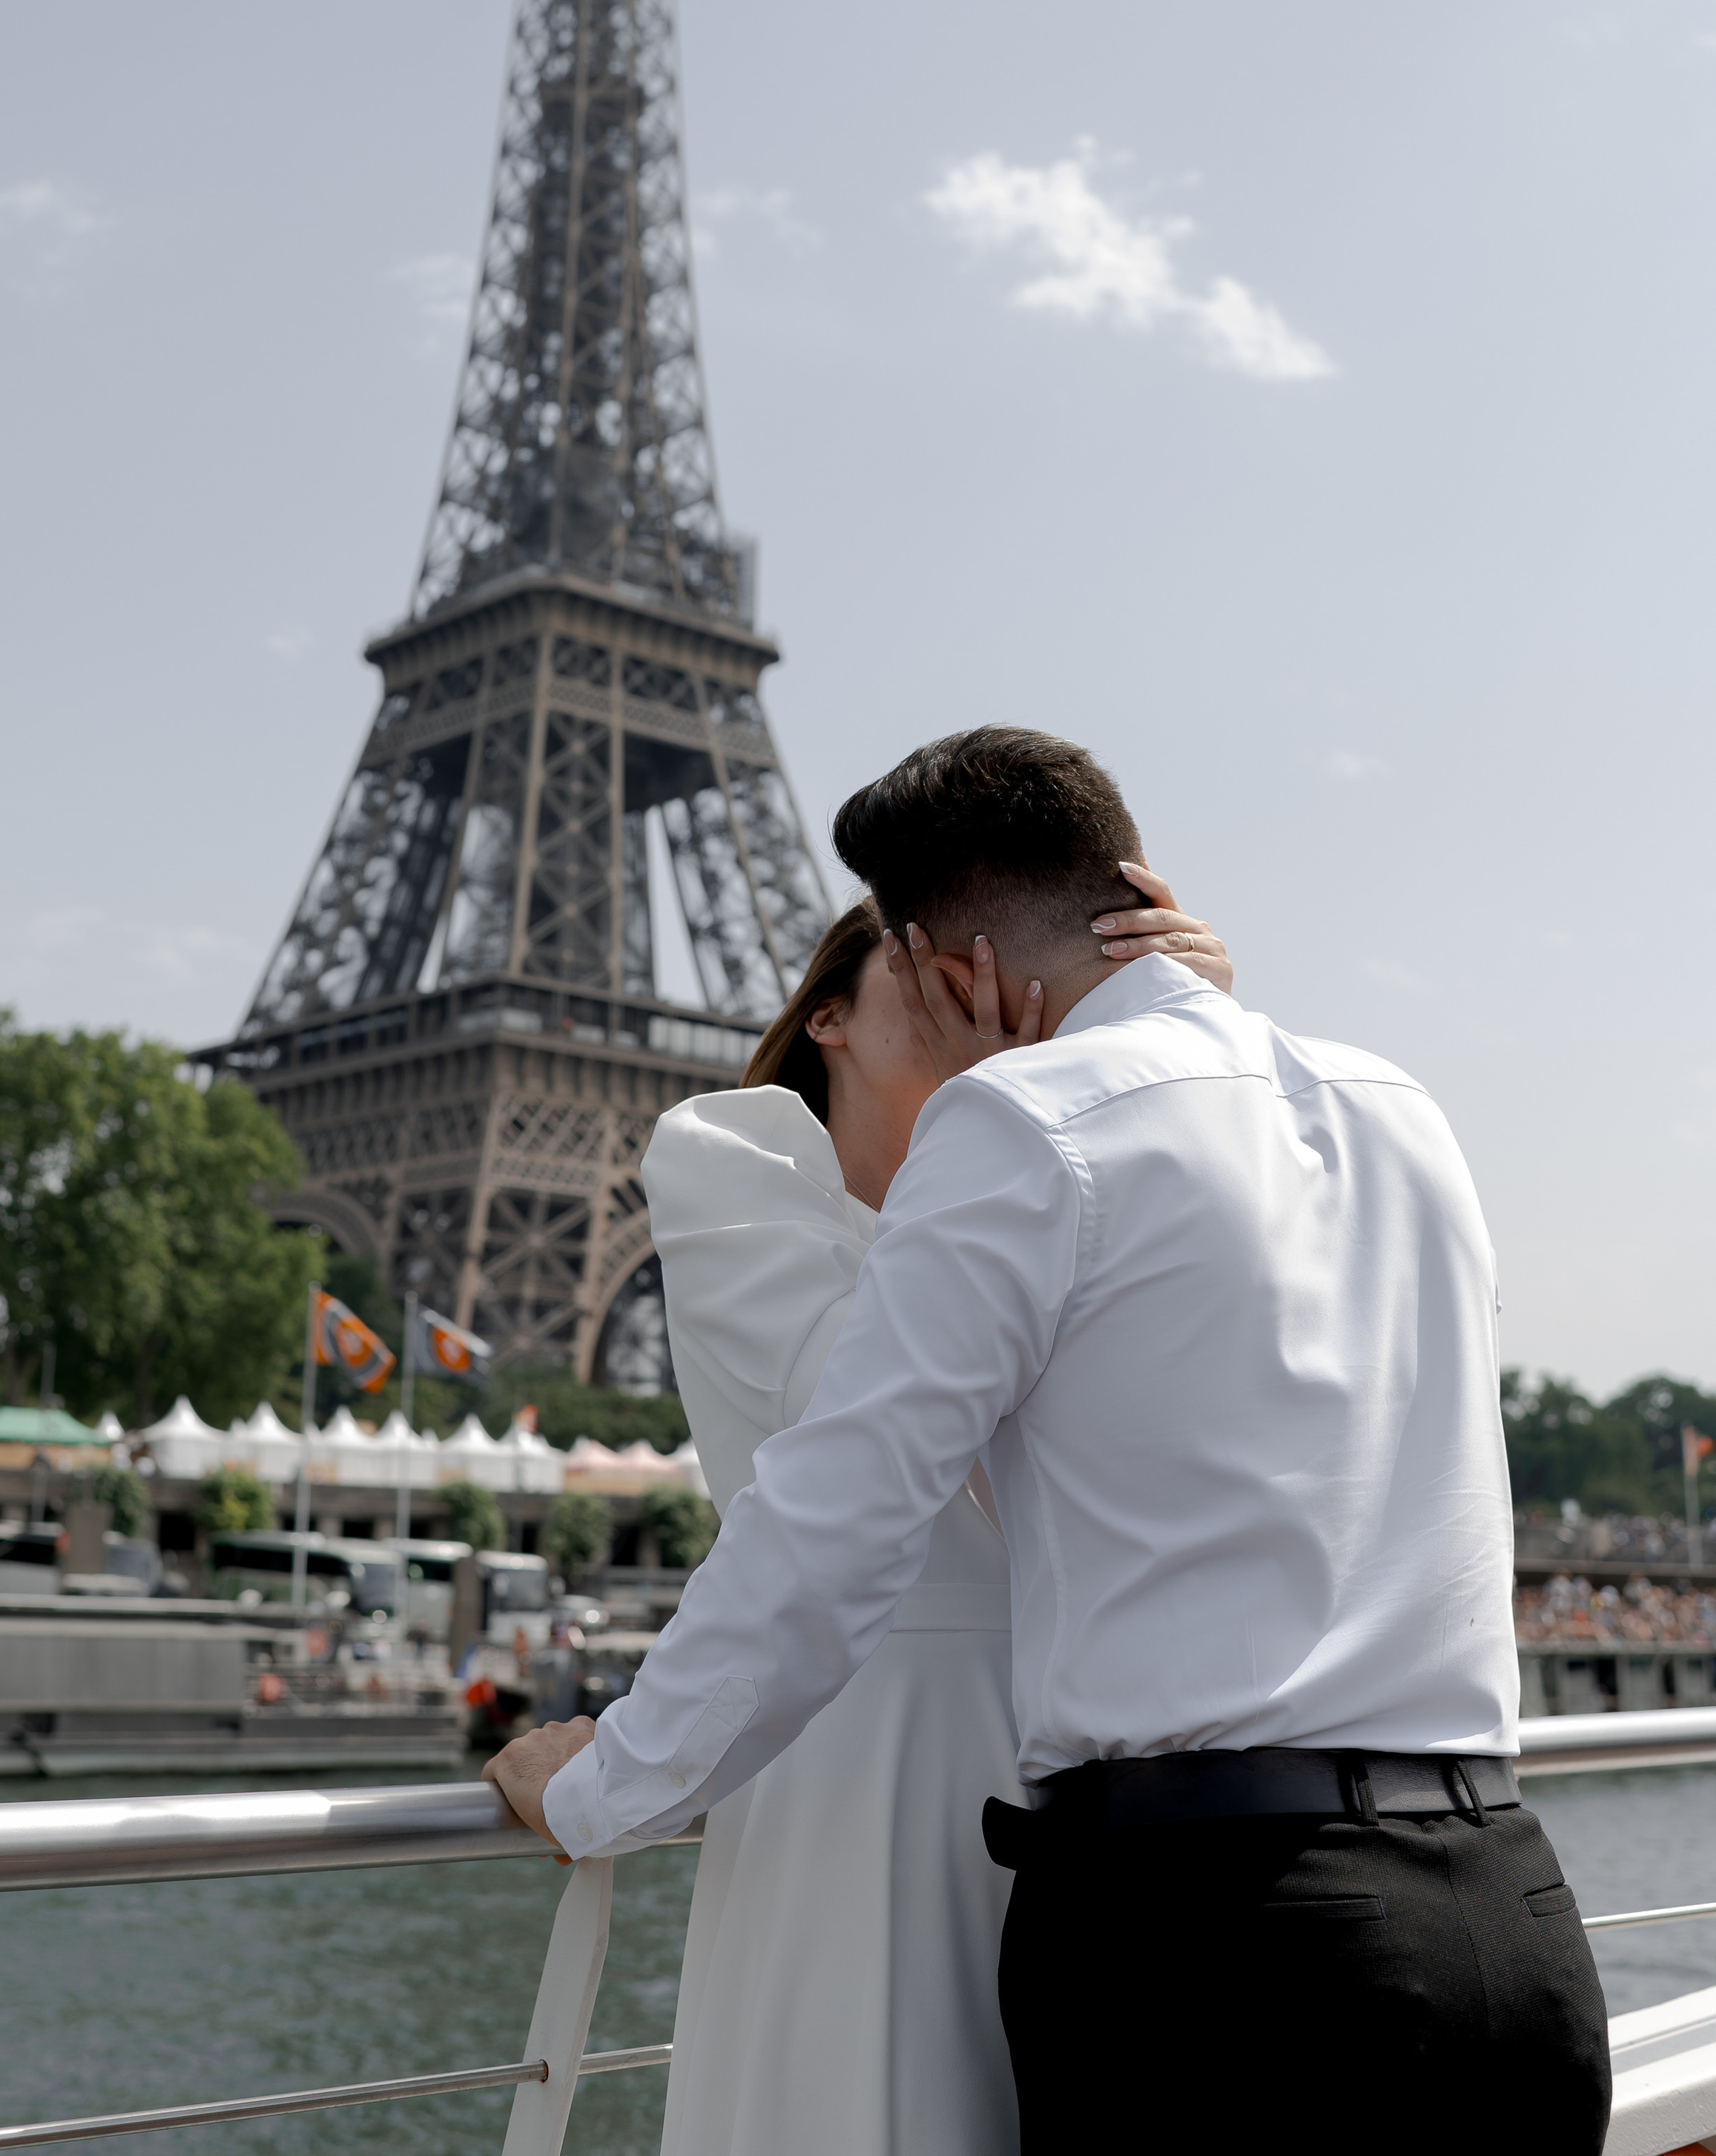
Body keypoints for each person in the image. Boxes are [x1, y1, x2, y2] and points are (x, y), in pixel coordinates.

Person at [492, 728, 1611, 2156]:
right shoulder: (1403, 1112)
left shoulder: (1021, 1123)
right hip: (1503, 1905)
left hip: (1221, 1939)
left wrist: (603, 1786)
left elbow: (835, 1517)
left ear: (946, 963)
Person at [644, 864, 1232, 2156]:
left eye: (994, 975)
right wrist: (1000, 1109)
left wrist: (1177, 1046)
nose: (978, 1005)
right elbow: (866, 1408)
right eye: (926, 974)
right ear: (829, 1021)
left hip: (1071, 1749)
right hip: (855, 1729)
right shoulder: (731, 1155)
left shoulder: (1051, 1182)